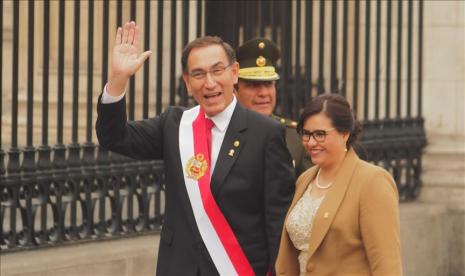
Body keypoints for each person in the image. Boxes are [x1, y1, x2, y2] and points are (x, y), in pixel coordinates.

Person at [96, 21, 295, 275]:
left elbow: (277, 218)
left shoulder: (266, 133)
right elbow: (113, 137)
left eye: (217, 71)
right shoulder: (174, 125)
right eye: (199, 74)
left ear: (234, 73)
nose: (209, 83)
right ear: (188, 83)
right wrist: (118, 80)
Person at [275, 94, 402, 275]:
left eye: (320, 134)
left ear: (344, 133)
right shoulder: (305, 179)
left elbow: (386, 265)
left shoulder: (372, 181)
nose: (311, 143)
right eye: (306, 134)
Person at [235, 38, 311, 176]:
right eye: (253, 85)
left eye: (269, 84)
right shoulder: (222, 133)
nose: (263, 93)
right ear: (234, 90)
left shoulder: (295, 137)